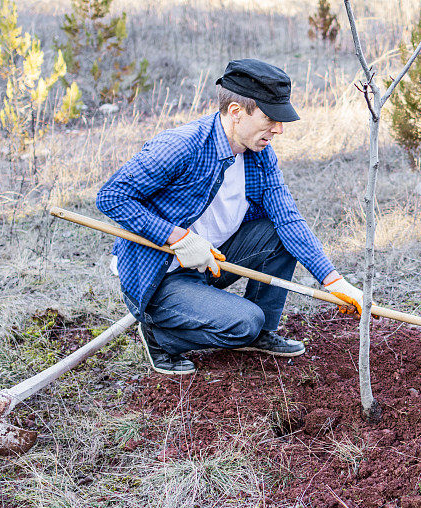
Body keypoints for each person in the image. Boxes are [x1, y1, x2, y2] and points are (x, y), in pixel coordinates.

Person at [97, 58, 363, 375]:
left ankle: (261, 334)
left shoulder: (259, 154)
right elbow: (110, 197)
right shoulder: (181, 146)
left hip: (211, 260)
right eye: (270, 118)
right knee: (244, 323)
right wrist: (176, 237)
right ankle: (161, 336)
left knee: (278, 236)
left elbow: (288, 220)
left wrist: (334, 281)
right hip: (159, 275)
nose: (279, 129)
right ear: (236, 112)